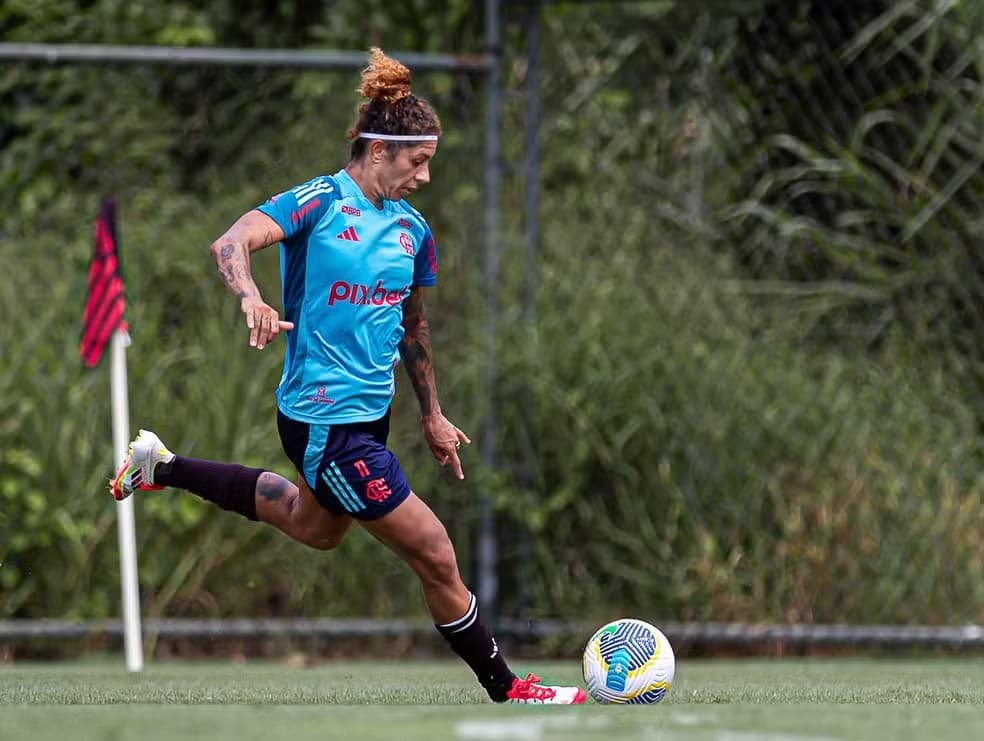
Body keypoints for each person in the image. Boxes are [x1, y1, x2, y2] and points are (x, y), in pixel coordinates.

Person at [111, 47, 585, 705]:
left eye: (430, 163)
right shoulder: (321, 201)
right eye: (416, 162)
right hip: (322, 421)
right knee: (436, 552)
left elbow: (413, 327)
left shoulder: (413, 231)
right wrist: (249, 294)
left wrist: (432, 414)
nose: (423, 176)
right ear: (378, 150)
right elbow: (232, 239)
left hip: (371, 418)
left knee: (316, 526)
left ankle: (159, 465)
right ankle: (507, 685)